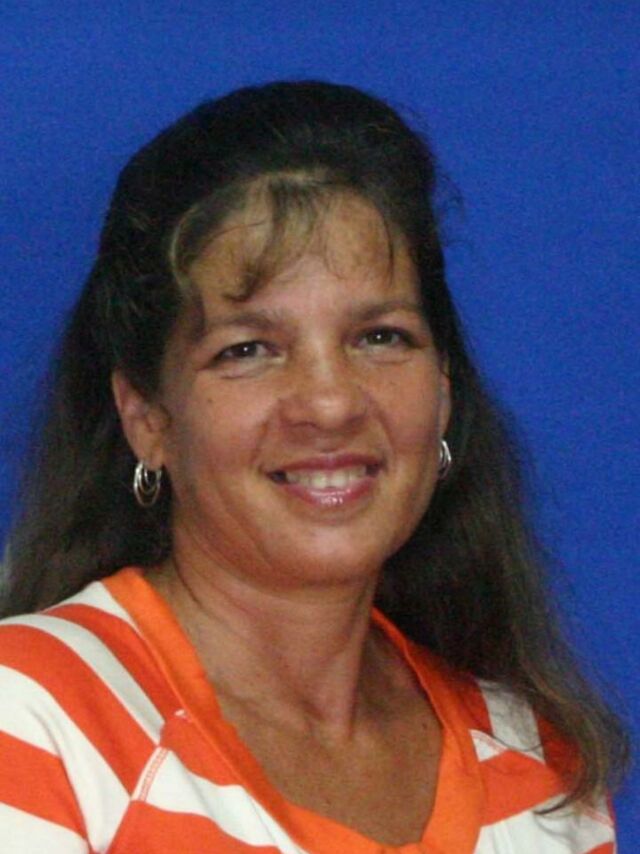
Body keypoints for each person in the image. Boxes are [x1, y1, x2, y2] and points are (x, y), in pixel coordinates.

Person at [0, 81, 629, 853]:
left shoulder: (538, 764)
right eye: (248, 350)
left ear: (442, 389)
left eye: (380, 337)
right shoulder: (33, 722)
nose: (330, 404)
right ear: (147, 418)